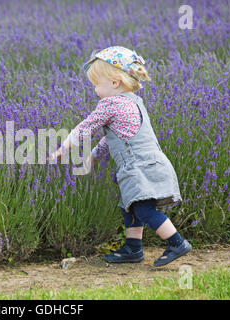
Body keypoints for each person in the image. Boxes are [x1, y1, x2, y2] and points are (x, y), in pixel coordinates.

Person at [49, 46, 191, 267]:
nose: (95, 90)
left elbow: (85, 127)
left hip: (139, 167)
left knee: (144, 210)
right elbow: (114, 138)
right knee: (129, 206)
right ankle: (133, 249)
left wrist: (64, 148)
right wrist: (94, 157)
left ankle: (177, 243)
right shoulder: (134, 102)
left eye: (97, 84)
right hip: (148, 164)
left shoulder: (111, 104)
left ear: (115, 83)